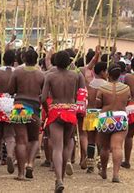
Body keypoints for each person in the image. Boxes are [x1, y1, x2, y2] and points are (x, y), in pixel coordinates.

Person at [41, 51, 81, 193]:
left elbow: (43, 97)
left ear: (55, 62)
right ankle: (62, 178)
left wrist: (48, 110)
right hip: (70, 112)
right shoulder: (75, 76)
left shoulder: (50, 76)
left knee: (57, 147)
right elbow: (81, 94)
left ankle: (58, 179)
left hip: (55, 112)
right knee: (65, 146)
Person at [8, 49, 44, 180]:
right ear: (36, 59)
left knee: (21, 141)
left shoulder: (17, 72)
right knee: (34, 139)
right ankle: (30, 163)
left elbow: (11, 90)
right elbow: (44, 95)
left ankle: (21, 173)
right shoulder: (41, 75)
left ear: (23, 59)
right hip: (34, 107)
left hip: (19, 106)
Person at [96, 64, 130, 183]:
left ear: (108, 74)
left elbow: (98, 104)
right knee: (117, 147)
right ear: (119, 74)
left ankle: (104, 171)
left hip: (105, 118)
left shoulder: (102, 88)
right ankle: (115, 174)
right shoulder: (126, 88)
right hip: (121, 117)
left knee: (104, 147)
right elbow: (127, 102)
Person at [0, 49, 16, 173]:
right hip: (12, 102)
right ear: (14, 61)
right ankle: (10, 155)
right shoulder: (17, 72)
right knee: (10, 134)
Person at [82, 62, 108, 173]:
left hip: (90, 113)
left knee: (90, 140)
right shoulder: (106, 85)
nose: (107, 73)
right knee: (101, 141)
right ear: (102, 72)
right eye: (106, 71)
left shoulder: (89, 83)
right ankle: (100, 164)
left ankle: (90, 166)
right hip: (101, 114)